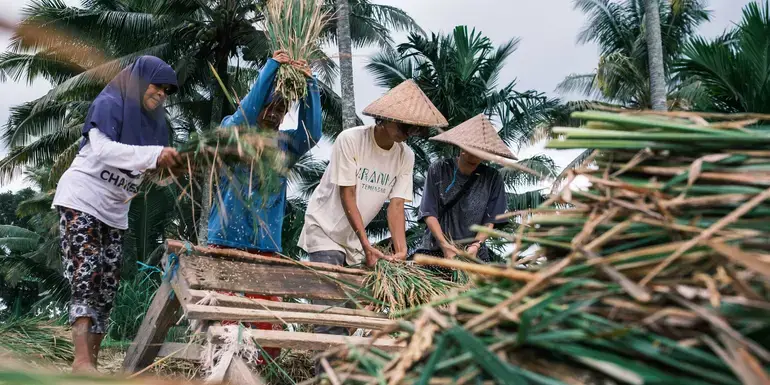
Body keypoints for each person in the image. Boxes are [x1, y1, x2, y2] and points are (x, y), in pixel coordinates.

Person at [298, 80, 448, 369]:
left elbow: (396, 205)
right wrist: (367, 245)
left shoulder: (406, 155)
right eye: (403, 127)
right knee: (331, 317)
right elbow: (347, 194)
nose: (408, 134)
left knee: (352, 314)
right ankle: (327, 377)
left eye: (413, 129)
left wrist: (401, 251)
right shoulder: (351, 140)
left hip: (355, 242)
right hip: (325, 231)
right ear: (385, 119)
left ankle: (339, 373)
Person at [52, 56, 181, 372]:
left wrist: (177, 167)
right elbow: (104, 150)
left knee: (107, 286)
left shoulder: (157, 127)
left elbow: (150, 173)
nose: (161, 93)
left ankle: (92, 363)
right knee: (87, 273)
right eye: (157, 85)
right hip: (81, 198)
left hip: (114, 213)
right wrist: (154, 156)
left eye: (167, 90)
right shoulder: (110, 102)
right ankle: (80, 360)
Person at [205, 50, 321, 364]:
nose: (273, 113)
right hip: (226, 239)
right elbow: (246, 114)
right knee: (226, 321)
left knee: (264, 317)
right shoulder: (233, 131)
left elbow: (314, 131)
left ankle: (260, 371)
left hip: (265, 244)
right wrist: (271, 66)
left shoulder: (285, 146)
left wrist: (309, 85)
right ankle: (223, 369)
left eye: (281, 108)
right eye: (268, 106)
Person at [416, 114, 511, 269]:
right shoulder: (439, 169)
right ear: (461, 145)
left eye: (481, 149)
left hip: (474, 253)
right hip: (436, 248)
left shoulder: (492, 178)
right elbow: (429, 212)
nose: (476, 152)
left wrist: (475, 246)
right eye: (472, 146)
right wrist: (445, 245)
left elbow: (491, 220)